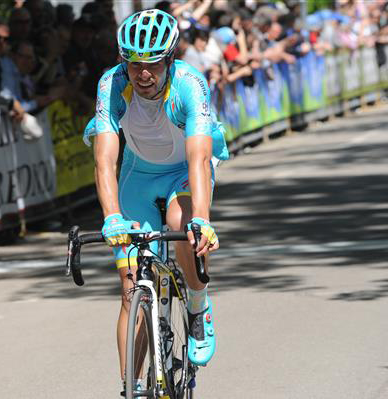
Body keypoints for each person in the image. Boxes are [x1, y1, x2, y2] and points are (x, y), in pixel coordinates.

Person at [83, 9, 229, 389]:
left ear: (169, 60)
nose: (143, 74)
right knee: (132, 286)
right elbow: (105, 160)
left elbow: (198, 157)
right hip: (139, 175)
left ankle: (197, 305)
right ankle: (131, 386)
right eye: (133, 65)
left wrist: (203, 218)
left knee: (183, 225)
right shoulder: (111, 85)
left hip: (184, 170)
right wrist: (111, 217)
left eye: (152, 65)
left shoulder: (189, 83)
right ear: (123, 62)